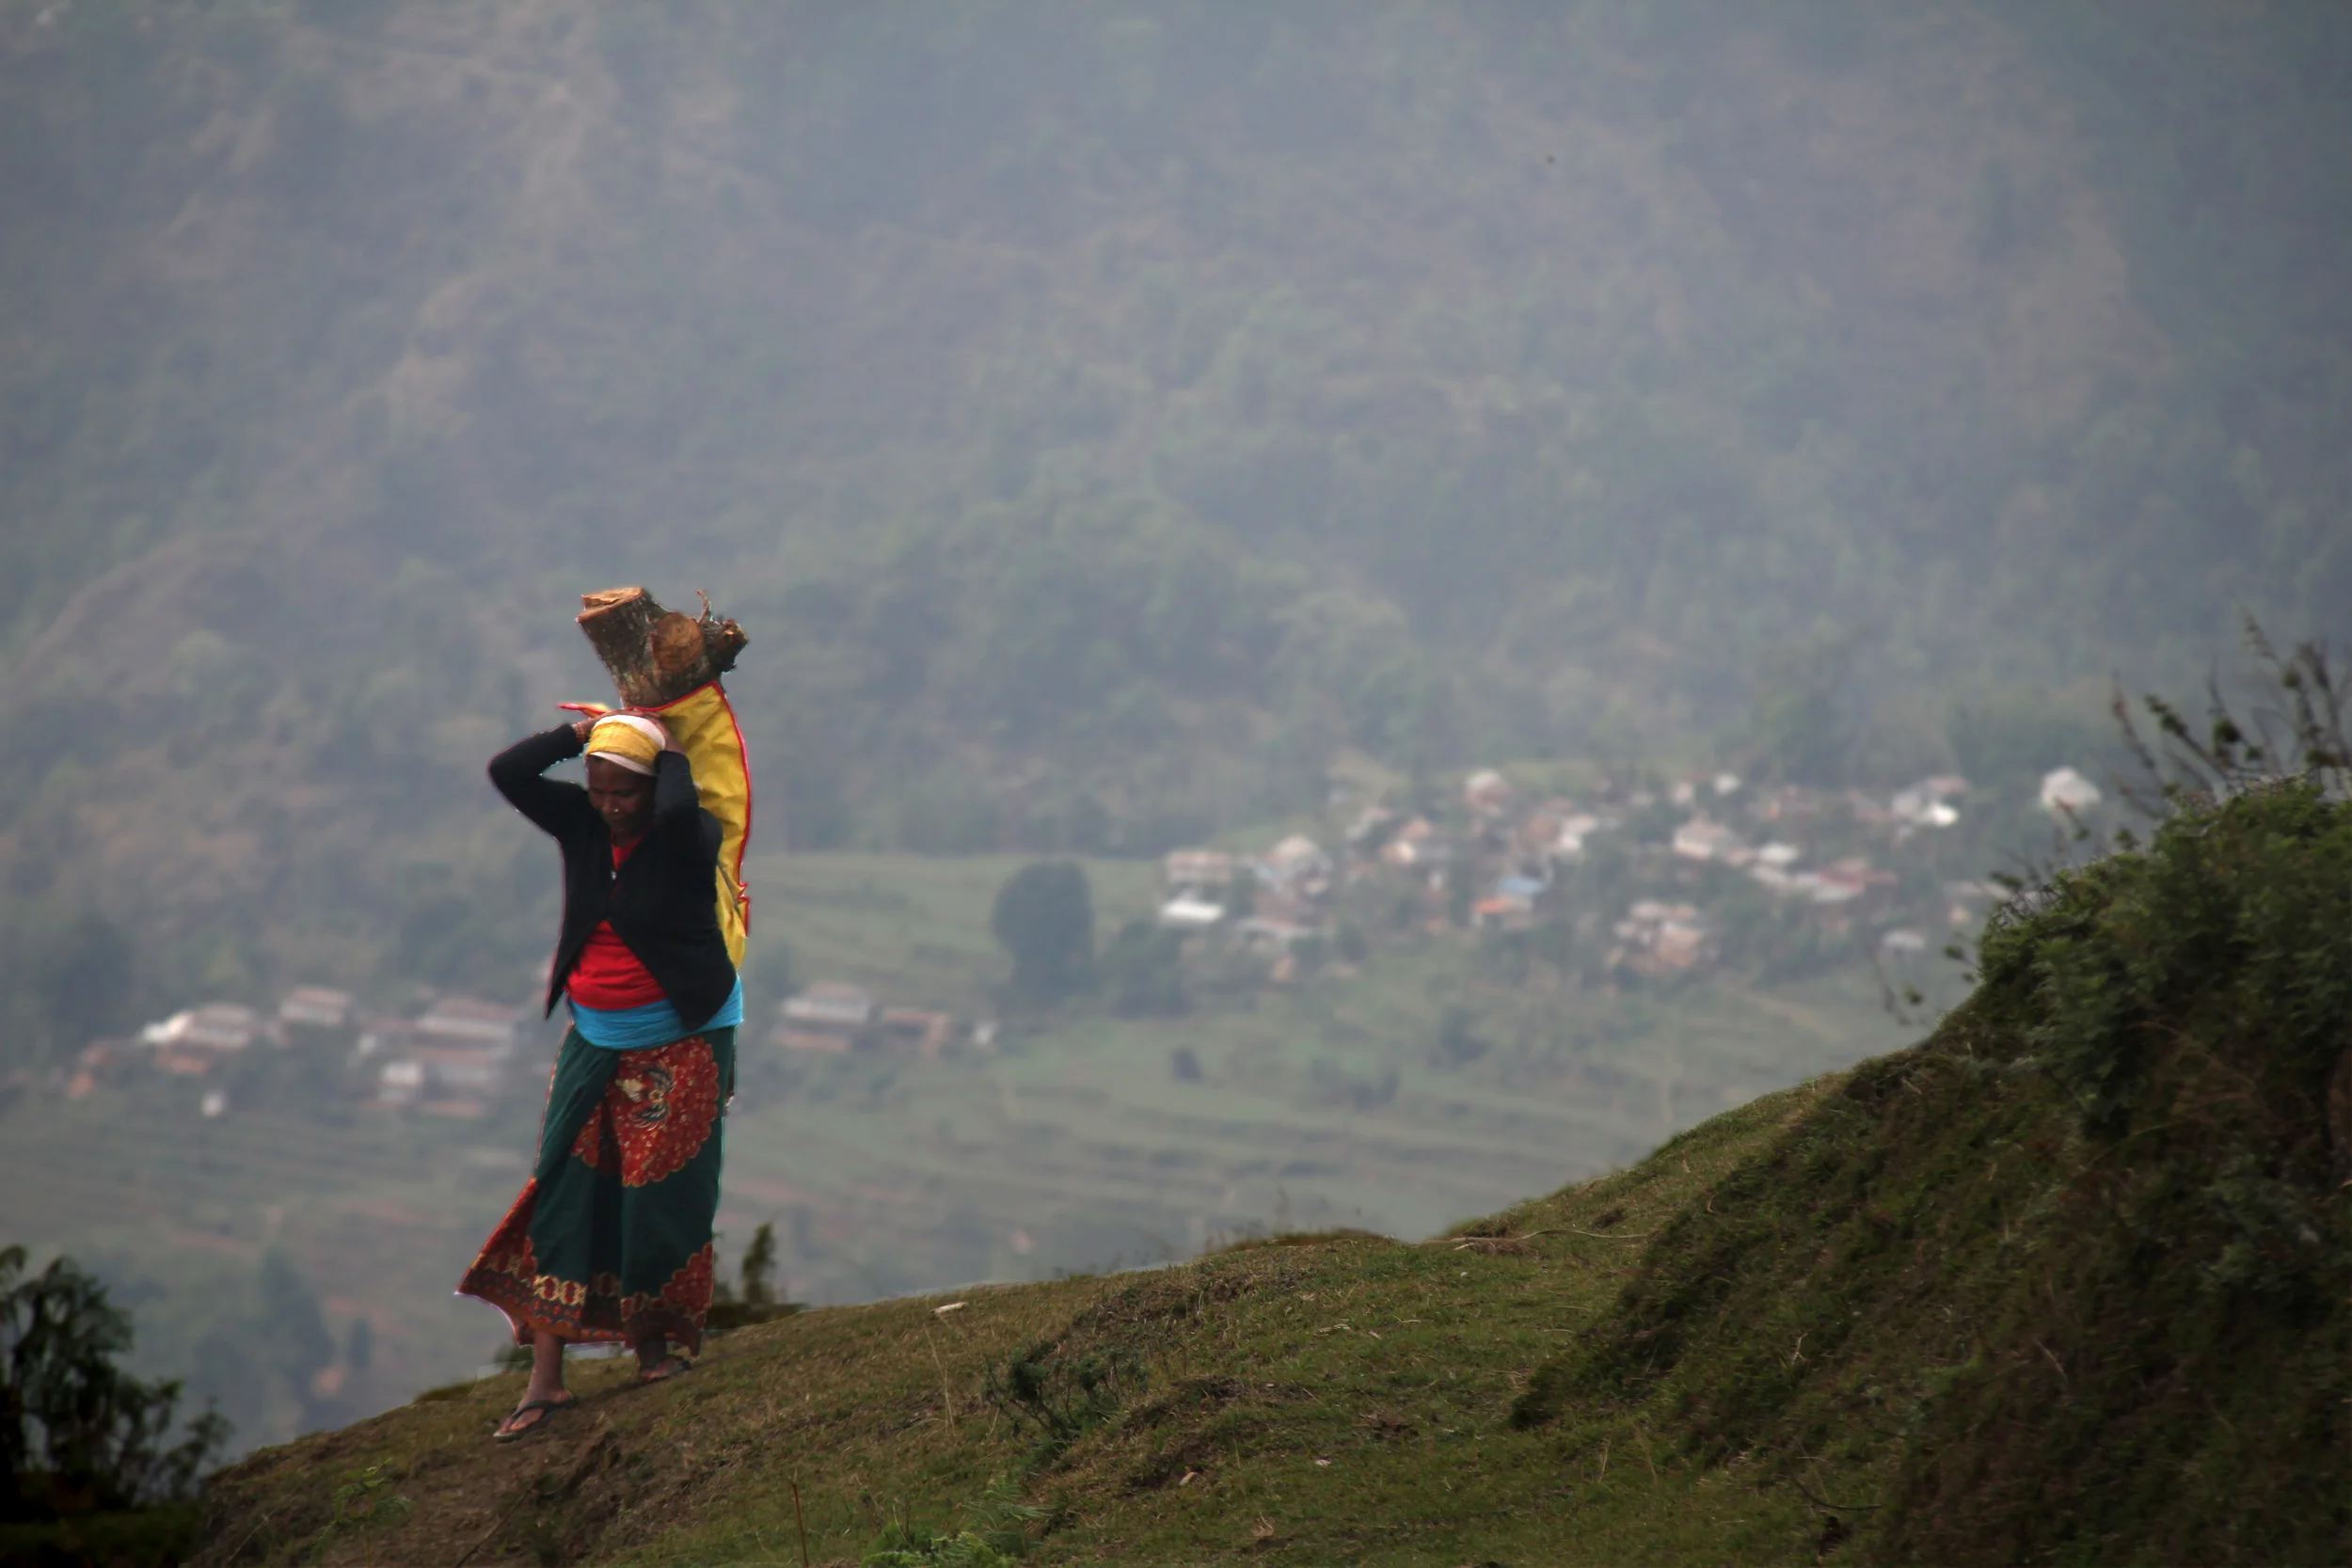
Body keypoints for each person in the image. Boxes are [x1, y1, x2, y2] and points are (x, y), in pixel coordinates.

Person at [456, 710, 743, 1441]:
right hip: (597, 1035)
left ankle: (654, 1347)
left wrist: (668, 745)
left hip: (684, 1037)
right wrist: (581, 736)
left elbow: (681, 806)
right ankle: (546, 1382)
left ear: (653, 788)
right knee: (563, 1189)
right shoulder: (582, 822)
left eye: (625, 792)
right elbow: (508, 773)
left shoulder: (685, 834)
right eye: (599, 789)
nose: (610, 804)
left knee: (658, 1192)